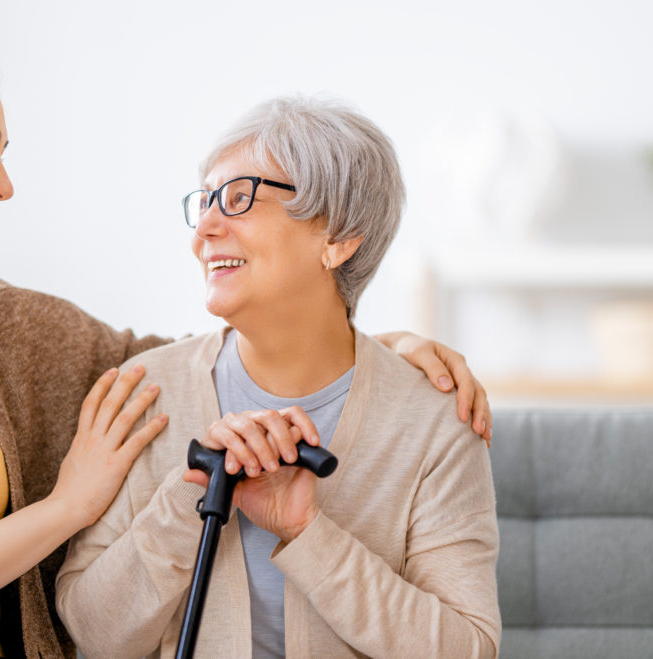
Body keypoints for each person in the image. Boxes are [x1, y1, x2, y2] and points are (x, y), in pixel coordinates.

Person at [0, 20, 490, 659]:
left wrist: (373, 343)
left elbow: (186, 358)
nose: (3, 182)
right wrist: (71, 504)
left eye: (1, 153)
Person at [56, 97, 500, 658]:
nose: (206, 229)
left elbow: (469, 651)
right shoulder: (145, 395)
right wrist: (187, 502)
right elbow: (90, 637)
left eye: (239, 198)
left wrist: (308, 534)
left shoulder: (437, 419)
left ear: (338, 236)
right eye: (207, 202)